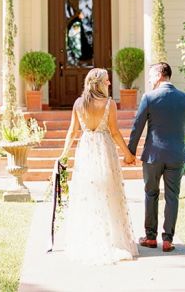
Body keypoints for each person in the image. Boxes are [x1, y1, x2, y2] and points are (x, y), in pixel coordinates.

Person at [58, 67, 138, 265]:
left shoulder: (78, 103)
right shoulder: (109, 104)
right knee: (109, 192)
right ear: (99, 83)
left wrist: (64, 155)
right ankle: (110, 240)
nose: (109, 83)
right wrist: (128, 154)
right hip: (104, 150)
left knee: (89, 192)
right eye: (107, 80)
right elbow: (115, 132)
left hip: (86, 150)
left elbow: (72, 132)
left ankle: (90, 239)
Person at [128, 62, 185, 252]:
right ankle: (168, 240)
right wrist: (175, 133)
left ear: (159, 75)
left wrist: (130, 152)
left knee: (151, 194)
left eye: (151, 75)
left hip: (153, 155)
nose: (149, 79)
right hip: (176, 155)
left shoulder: (149, 97)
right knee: (172, 196)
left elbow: (137, 127)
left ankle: (151, 238)